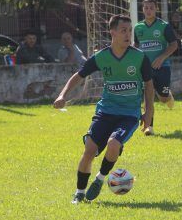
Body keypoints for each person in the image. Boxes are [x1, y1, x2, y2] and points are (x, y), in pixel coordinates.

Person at [53, 15, 154, 204]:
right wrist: (63, 95)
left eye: (130, 30)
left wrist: (149, 112)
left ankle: (99, 179)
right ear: (113, 32)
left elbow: (149, 85)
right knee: (89, 150)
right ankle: (79, 192)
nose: (128, 34)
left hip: (129, 115)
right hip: (105, 112)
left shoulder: (139, 57)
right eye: (123, 30)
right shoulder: (102, 57)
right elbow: (79, 75)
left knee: (114, 144)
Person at [133, 0, 179, 136]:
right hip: (145, 68)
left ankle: (168, 95)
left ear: (156, 9)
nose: (148, 10)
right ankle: (149, 126)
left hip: (162, 67)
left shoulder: (164, 26)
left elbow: (174, 45)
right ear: (143, 9)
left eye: (151, 8)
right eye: (146, 8)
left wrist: (161, 58)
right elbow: (136, 45)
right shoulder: (138, 27)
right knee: (148, 95)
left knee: (163, 98)